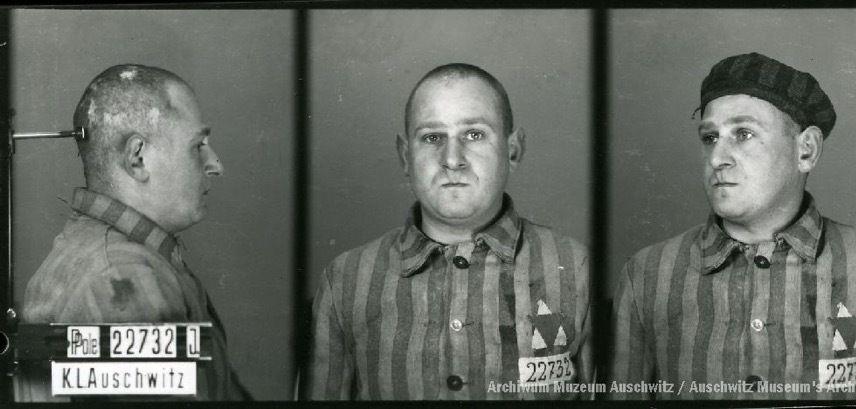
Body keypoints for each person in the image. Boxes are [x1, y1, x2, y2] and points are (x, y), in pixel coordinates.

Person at [609, 52, 856, 400]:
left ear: (806, 150)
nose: (717, 158)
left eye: (743, 133)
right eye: (710, 137)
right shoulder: (646, 276)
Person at [307, 63, 593, 400]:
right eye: (432, 138)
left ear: (513, 150)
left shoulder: (576, 267)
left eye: (474, 134)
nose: (452, 159)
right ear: (405, 156)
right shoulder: (345, 282)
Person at [16, 64, 250, 401]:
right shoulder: (124, 279)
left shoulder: (111, 256)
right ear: (137, 157)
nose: (216, 165)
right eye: (197, 146)